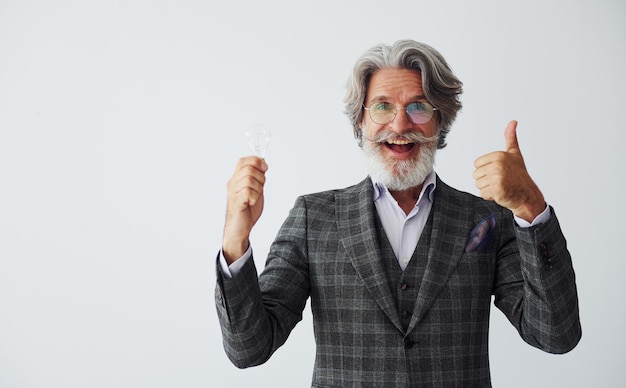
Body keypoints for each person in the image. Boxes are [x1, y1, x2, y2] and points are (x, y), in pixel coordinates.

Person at [214, 39, 581, 387]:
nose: (401, 124)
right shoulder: (314, 217)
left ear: (440, 122)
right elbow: (249, 348)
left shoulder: (487, 218)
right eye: (383, 106)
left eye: (419, 106)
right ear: (361, 120)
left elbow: (555, 334)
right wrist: (235, 237)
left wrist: (530, 206)